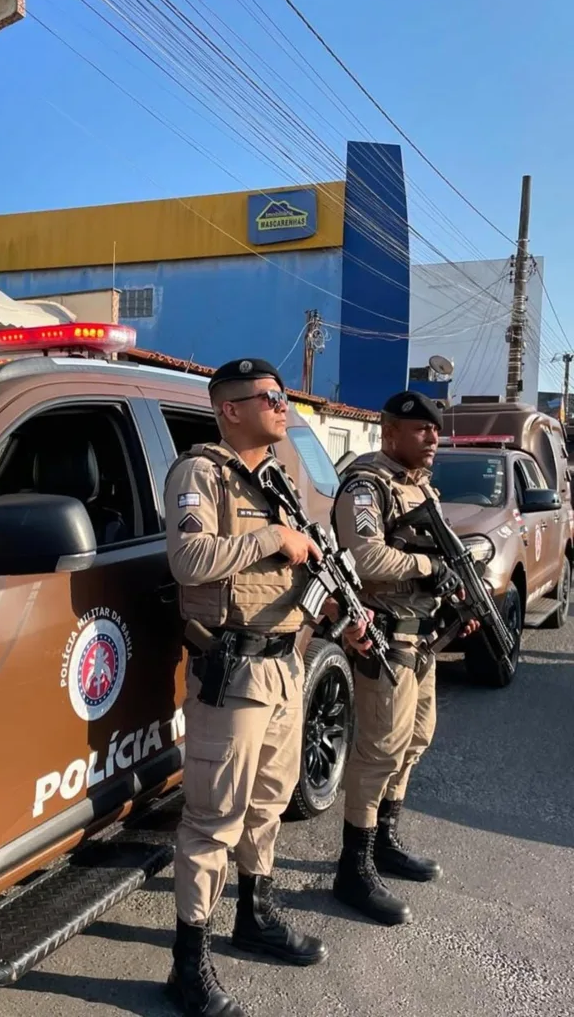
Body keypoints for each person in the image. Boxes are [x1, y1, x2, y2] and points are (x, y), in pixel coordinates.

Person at [164, 358, 368, 1017]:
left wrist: (345, 618)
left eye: (283, 396)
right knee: (212, 819)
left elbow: (302, 571)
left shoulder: (276, 480)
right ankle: (187, 963)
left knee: (268, 805)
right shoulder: (200, 474)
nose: (284, 406)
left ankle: (254, 912)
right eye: (271, 397)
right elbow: (188, 558)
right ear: (231, 409)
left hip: (284, 667)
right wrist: (270, 537)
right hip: (231, 671)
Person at [330, 390, 478, 927]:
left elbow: (443, 557)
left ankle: (385, 838)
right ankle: (354, 865)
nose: (433, 439)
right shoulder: (367, 485)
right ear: (390, 432)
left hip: (423, 638)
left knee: (416, 739)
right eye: (421, 430)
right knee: (379, 751)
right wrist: (426, 567)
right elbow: (365, 554)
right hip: (385, 637)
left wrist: (458, 592)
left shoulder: (421, 489)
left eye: (436, 431)